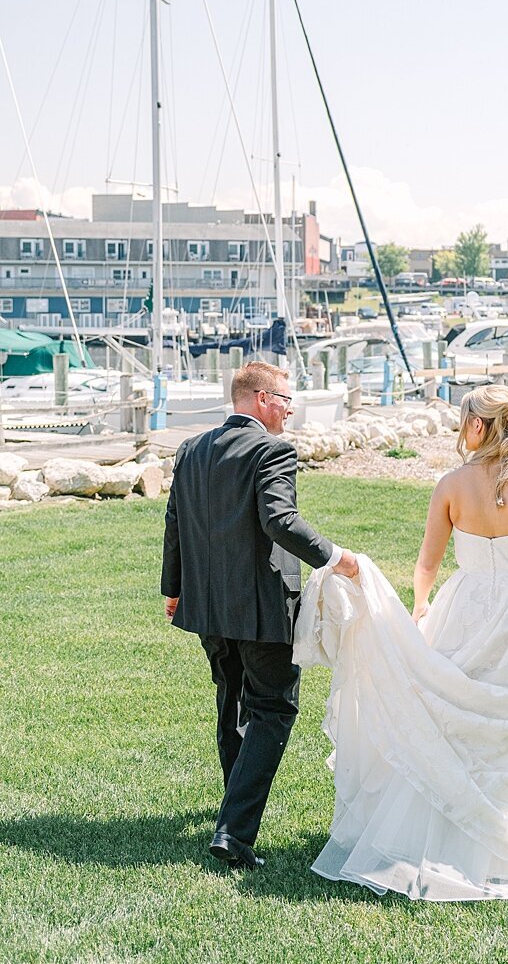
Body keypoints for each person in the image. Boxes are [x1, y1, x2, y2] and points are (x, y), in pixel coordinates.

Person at [294, 384, 508, 900]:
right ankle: (503, 844)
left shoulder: (451, 485)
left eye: (465, 421)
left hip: (464, 608)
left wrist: (420, 605)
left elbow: (428, 564)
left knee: (450, 721)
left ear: (478, 427)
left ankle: (436, 838)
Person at [161, 361, 358, 870]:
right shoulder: (273, 449)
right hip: (262, 607)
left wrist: (174, 589)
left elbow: (175, 523)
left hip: (207, 604)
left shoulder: (191, 449)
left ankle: (233, 806)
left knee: (232, 701)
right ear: (263, 399)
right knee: (272, 708)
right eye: (287, 400)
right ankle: (234, 833)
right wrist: (337, 558)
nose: (291, 410)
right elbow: (280, 520)